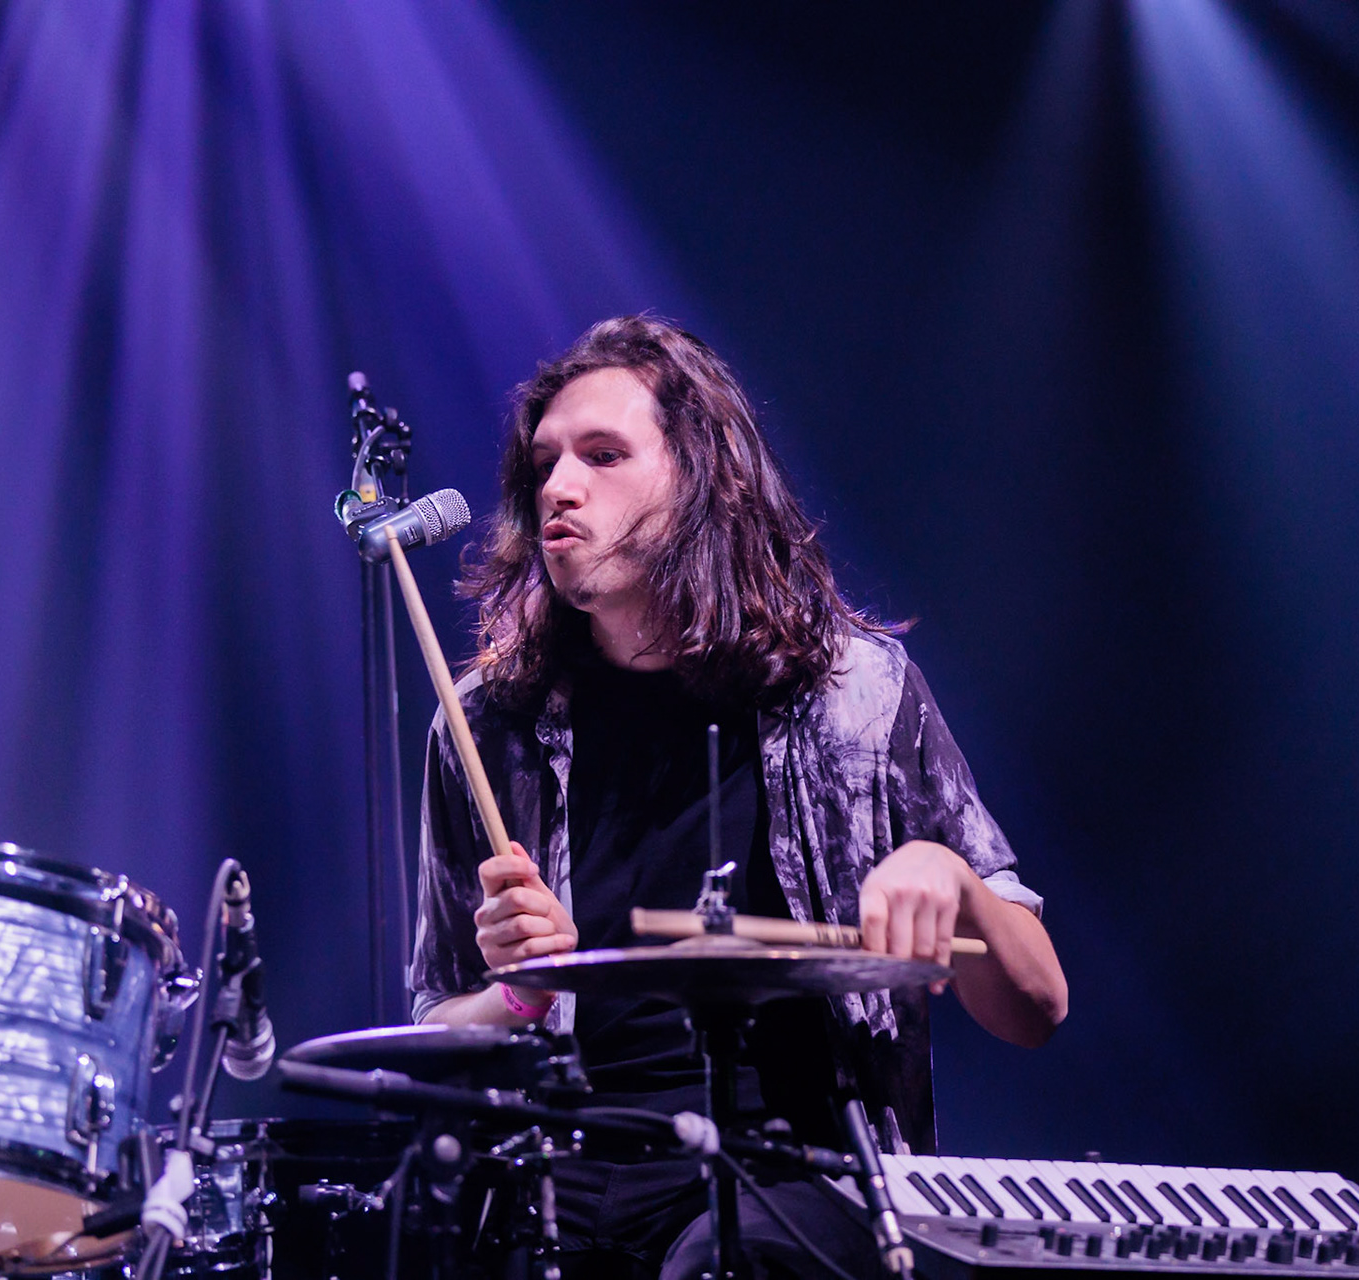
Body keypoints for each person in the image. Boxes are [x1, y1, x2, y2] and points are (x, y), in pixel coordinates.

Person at [409, 316, 1067, 1278]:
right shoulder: (485, 726)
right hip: (563, 1180)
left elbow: (1037, 1006)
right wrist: (517, 993)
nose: (557, 487)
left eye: (603, 455)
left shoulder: (854, 694)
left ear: (701, 481)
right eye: (544, 463)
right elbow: (430, 1027)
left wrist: (953, 878)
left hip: (803, 1179)